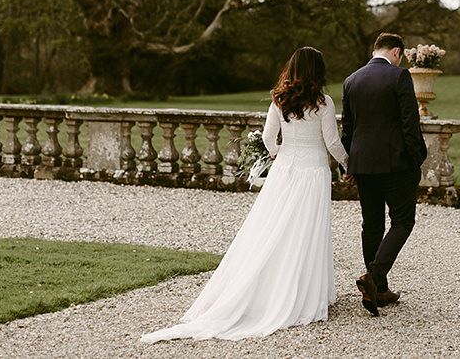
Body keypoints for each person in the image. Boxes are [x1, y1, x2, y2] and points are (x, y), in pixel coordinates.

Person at [141, 47, 348, 343]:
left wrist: (281, 155)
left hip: (284, 172)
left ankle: (270, 289)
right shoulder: (323, 102)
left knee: (273, 230)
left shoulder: (279, 99)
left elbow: (267, 138)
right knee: (306, 230)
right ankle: (303, 293)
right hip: (313, 172)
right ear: (318, 71)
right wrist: (348, 163)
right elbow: (331, 141)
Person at [341, 32, 427, 317]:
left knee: (372, 225)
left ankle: (379, 289)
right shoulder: (399, 76)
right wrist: (417, 159)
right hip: (396, 164)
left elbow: (349, 129)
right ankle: (374, 276)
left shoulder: (351, 80)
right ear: (397, 52)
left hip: (363, 163)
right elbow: (409, 122)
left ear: (374, 50)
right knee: (403, 221)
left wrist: (349, 165)